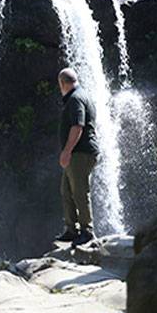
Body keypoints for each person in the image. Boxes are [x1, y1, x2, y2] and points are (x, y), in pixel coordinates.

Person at [55, 68, 99, 246]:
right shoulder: (81, 95)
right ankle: (71, 229)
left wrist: (66, 151)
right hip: (77, 153)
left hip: (80, 153)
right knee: (66, 190)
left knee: (80, 191)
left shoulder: (75, 99)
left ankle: (87, 231)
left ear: (62, 83)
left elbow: (77, 126)